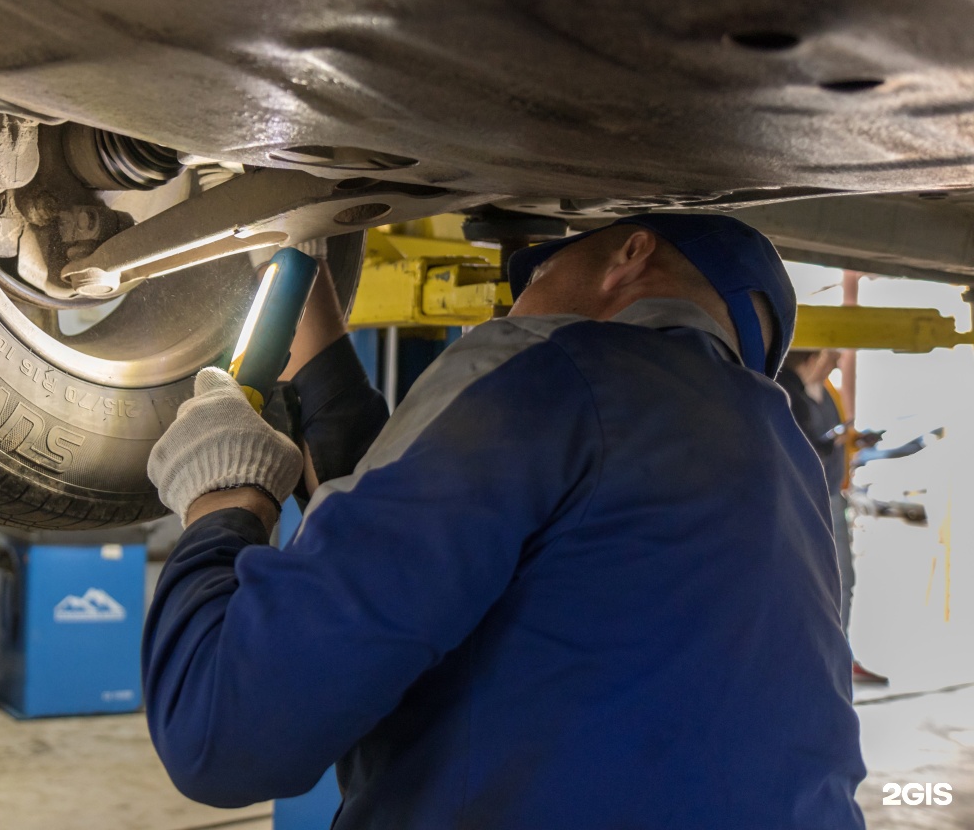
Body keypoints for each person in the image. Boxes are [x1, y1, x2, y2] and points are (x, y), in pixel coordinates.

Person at [143, 214, 865, 829]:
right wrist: (303, 270)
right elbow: (417, 528)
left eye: (538, 278)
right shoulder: (780, 457)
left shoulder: (558, 363)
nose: (512, 308)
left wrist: (223, 500)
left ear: (630, 255)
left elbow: (222, 735)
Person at [776, 349, 889, 685]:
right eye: (830, 356)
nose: (836, 363)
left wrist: (851, 440)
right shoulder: (784, 390)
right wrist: (828, 444)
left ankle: (837, 654)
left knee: (841, 581)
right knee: (814, 580)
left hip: (828, 496)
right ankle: (818, 658)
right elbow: (792, 444)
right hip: (805, 498)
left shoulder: (826, 392)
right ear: (811, 357)